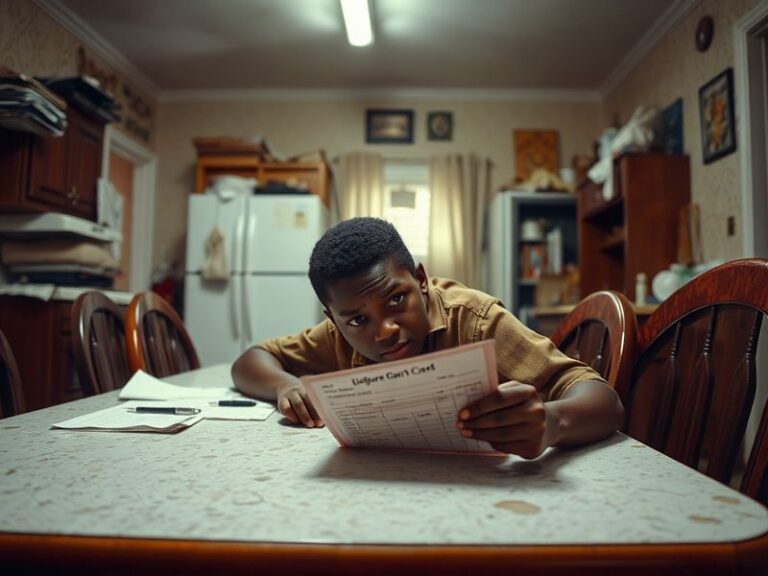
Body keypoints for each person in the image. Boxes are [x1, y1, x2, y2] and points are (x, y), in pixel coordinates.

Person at [232, 217, 623, 459]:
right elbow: (250, 361)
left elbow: (603, 400)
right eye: (357, 320)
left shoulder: (474, 319)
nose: (383, 330)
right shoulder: (338, 334)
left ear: (421, 280)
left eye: (397, 299)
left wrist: (553, 423)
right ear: (332, 318)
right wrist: (288, 385)